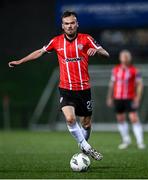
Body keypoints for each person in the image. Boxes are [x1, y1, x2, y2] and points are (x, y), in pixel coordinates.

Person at [8, 11, 109, 160]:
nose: (69, 26)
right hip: (66, 88)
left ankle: (83, 146)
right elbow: (40, 52)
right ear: (62, 26)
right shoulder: (56, 41)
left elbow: (105, 53)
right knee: (69, 119)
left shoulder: (86, 39)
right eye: (66, 23)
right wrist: (21, 61)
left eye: (72, 23)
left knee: (86, 124)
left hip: (84, 89)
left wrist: (98, 52)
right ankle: (87, 148)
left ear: (77, 24)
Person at [107, 50, 145, 149]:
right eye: (123, 56)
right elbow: (112, 84)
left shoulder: (135, 70)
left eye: (126, 56)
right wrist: (109, 97)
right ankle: (126, 140)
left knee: (134, 118)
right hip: (118, 98)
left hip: (130, 98)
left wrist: (138, 97)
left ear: (130, 58)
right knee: (120, 119)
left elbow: (140, 85)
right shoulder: (115, 70)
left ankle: (140, 141)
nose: (125, 57)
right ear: (120, 58)